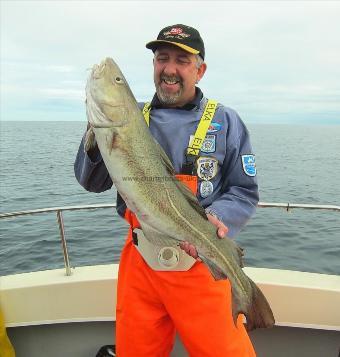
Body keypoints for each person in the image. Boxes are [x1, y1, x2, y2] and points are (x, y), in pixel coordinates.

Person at [75, 24, 258, 357]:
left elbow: (244, 192)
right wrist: (95, 131)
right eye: (162, 59)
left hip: (201, 263)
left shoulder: (227, 122)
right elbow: (92, 183)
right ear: (154, 65)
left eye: (181, 61)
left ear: (199, 70)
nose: (170, 69)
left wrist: (216, 217)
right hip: (140, 264)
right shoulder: (131, 118)